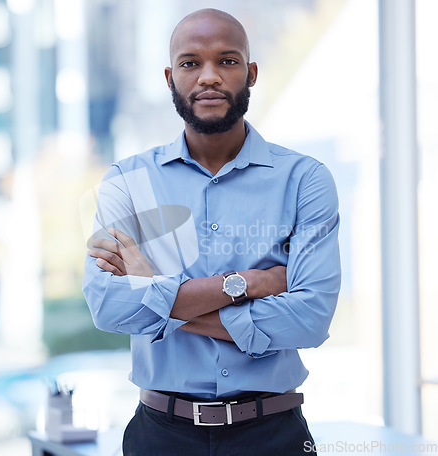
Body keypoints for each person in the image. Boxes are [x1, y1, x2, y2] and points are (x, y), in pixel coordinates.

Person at [83, 8, 341, 455]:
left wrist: (157, 293)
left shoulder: (304, 180)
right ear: (169, 77)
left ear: (251, 72)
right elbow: (108, 307)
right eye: (190, 63)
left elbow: (310, 319)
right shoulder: (128, 182)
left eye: (227, 60)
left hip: (273, 435)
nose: (209, 77)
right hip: (159, 436)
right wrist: (247, 285)